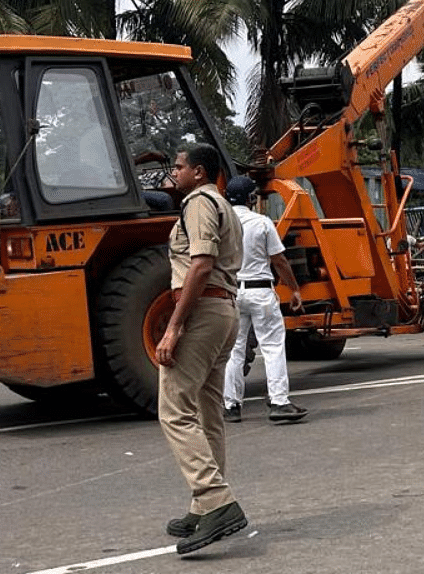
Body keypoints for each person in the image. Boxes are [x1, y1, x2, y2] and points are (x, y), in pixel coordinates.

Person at [156, 143, 248, 554]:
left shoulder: (197, 202)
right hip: (225, 310)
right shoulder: (225, 206)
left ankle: (215, 499)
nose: (174, 173)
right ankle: (203, 505)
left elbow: (200, 263)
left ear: (198, 171)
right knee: (209, 410)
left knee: (174, 409)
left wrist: (174, 327)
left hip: (204, 311)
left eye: (178, 167)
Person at [222, 175, 308, 423]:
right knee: (272, 347)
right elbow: (279, 260)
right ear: (250, 199)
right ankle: (279, 402)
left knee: (234, 350)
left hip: (232, 291)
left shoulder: (221, 224)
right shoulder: (261, 223)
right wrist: (294, 289)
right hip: (260, 292)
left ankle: (231, 406)